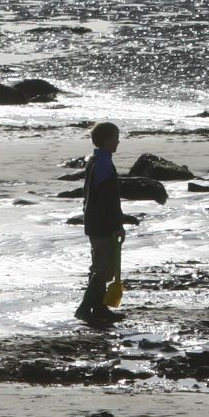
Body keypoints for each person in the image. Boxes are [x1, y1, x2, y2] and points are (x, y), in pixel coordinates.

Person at [76, 121, 124, 327]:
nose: (118, 142)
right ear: (105, 140)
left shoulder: (96, 159)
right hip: (102, 224)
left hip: (94, 221)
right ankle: (85, 308)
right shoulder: (103, 163)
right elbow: (106, 199)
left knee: (100, 266)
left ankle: (99, 307)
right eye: (115, 138)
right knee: (104, 269)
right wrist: (116, 225)